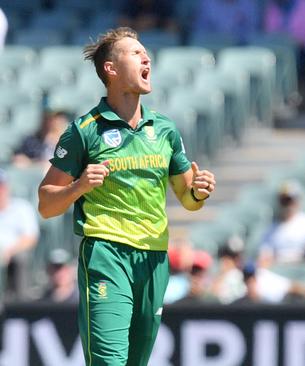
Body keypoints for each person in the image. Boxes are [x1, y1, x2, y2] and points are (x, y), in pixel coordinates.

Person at [37, 27, 216, 366]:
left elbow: (189, 199)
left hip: (154, 257)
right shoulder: (84, 131)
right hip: (106, 255)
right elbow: (46, 203)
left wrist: (199, 191)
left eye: (146, 53)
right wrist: (79, 187)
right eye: (136, 53)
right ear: (111, 69)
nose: (146, 58)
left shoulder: (164, 129)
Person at [257, 181, 305, 266]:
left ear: (298, 200)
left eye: (289, 200)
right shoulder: (270, 229)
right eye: (283, 200)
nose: (287, 204)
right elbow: (265, 257)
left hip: (303, 270)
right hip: (279, 272)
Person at [0, 169, 40, 301]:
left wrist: (9, 251)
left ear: (6, 187)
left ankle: (20, 302)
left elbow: (30, 238)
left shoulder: (21, 207)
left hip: (13, 253)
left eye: (1, 186)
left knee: (20, 259)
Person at [192, 0, 260, 44]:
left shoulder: (249, 4)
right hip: (213, 49)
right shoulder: (207, 4)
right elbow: (200, 33)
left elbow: (252, 34)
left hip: (240, 50)